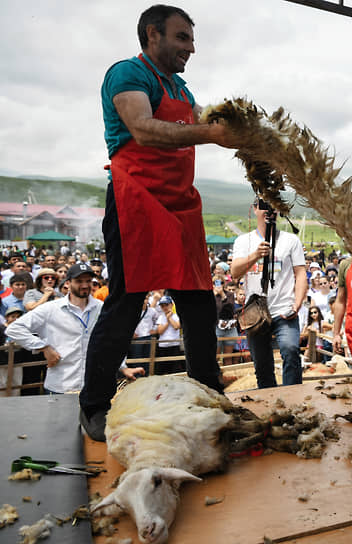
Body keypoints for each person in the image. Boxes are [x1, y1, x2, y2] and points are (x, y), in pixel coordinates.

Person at [79, 5, 245, 441]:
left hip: (180, 204)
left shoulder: (179, 87)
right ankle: (93, 405)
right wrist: (210, 133)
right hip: (136, 198)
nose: (191, 47)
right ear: (152, 35)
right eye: (182, 38)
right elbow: (144, 130)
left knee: (197, 301)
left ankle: (207, 389)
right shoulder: (127, 75)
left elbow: (206, 117)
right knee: (126, 303)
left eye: (191, 39)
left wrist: (241, 127)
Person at [6, 263, 143, 394]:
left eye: (88, 281)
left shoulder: (102, 309)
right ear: (68, 283)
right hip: (61, 385)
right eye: (79, 281)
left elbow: (112, 342)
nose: (84, 285)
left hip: (94, 386)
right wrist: (43, 347)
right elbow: (14, 329)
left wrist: (123, 367)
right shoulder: (51, 309)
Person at [231, 198, 307, 388]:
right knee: (262, 365)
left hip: (284, 309)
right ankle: (270, 403)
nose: (268, 211)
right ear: (255, 209)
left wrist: (297, 304)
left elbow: (300, 273)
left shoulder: (291, 240)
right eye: (264, 206)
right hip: (255, 313)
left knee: (290, 350)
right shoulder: (244, 241)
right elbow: (234, 272)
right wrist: (255, 255)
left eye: (273, 207)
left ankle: (292, 397)